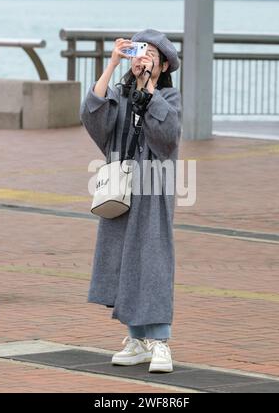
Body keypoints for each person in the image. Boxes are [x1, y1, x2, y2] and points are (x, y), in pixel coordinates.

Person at [80, 29, 182, 373]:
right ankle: (137, 340)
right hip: (121, 189)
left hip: (153, 192)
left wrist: (149, 90)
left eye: (152, 55)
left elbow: (167, 139)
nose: (143, 59)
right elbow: (94, 117)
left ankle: (161, 343)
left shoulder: (169, 96)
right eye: (140, 52)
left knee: (152, 261)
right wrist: (111, 65)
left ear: (164, 63)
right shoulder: (121, 96)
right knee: (125, 261)